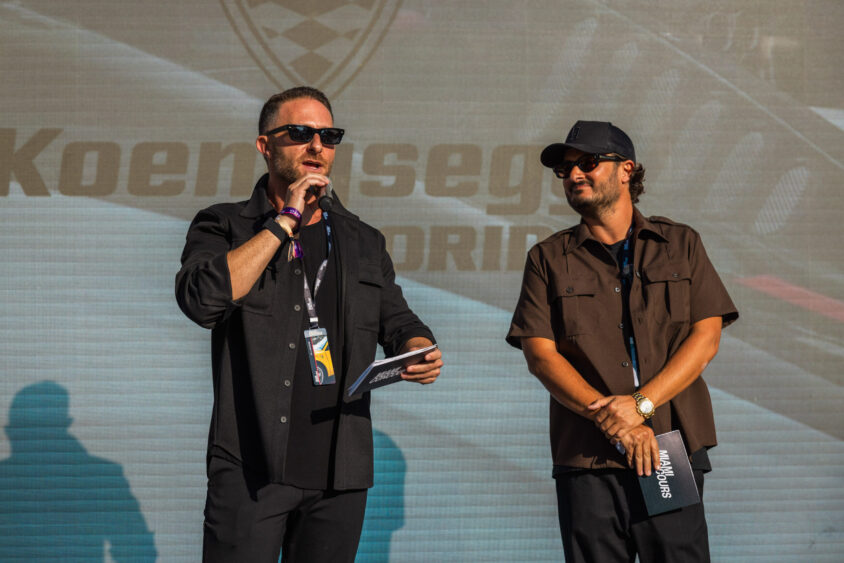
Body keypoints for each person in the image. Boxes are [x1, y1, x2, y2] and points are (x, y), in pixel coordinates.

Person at [175, 86, 443, 563]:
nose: (317, 145)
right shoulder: (224, 225)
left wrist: (417, 346)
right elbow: (202, 301)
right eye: (299, 133)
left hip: (339, 471)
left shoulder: (361, 240)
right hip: (252, 464)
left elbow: (397, 318)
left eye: (329, 135)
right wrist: (285, 221)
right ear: (265, 146)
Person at [506, 121, 738, 562]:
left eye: (588, 162)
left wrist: (641, 406)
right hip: (587, 455)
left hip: (667, 447)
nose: (574, 175)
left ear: (626, 169)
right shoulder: (547, 258)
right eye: (565, 169)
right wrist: (617, 422)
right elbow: (541, 357)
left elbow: (706, 337)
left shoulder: (680, 243)